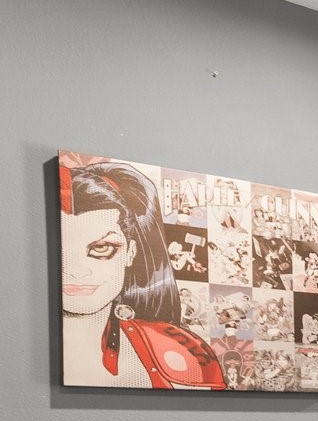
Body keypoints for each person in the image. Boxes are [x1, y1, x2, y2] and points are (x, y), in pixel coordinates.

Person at [59, 159, 224, 389]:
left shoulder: (183, 354)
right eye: (60, 251)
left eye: (102, 248)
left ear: (131, 253)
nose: (77, 271)